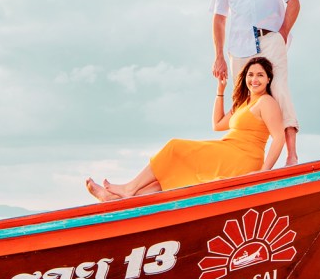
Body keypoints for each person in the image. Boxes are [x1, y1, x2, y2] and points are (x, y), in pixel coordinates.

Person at [87, 56, 285, 200]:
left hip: (243, 157)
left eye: (260, 75)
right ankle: (122, 199)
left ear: (269, 79)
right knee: (171, 172)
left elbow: (278, 138)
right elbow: (217, 125)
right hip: (228, 149)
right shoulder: (245, 103)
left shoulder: (266, 102)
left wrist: (263, 172)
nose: (254, 79)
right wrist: (220, 90)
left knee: (175, 147)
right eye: (251, 75)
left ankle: (129, 189)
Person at [212, 0, 302, 165]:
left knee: (280, 89)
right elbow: (219, 19)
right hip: (239, 46)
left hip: (271, 38)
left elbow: (293, 1)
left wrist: (282, 33)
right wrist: (219, 55)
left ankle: (291, 155)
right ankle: (242, 159)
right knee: (242, 100)